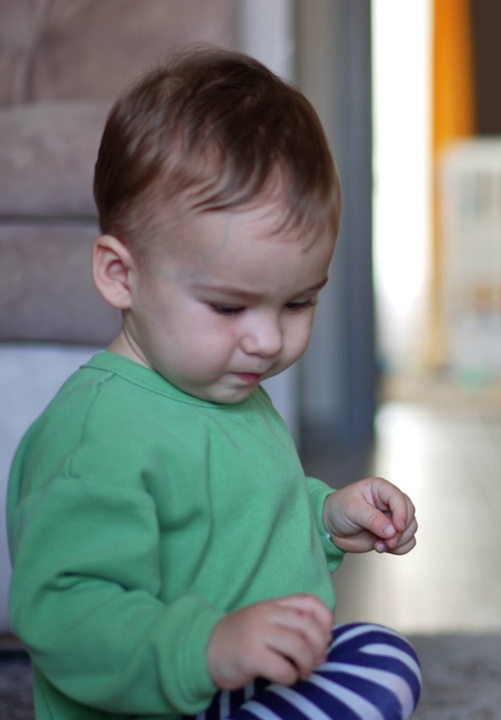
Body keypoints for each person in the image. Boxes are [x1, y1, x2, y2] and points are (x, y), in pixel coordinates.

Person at [6, 47, 422, 720]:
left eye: (297, 303)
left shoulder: (224, 384)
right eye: (229, 306)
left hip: (237, 683)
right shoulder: (98, 436)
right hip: (149, 700)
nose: (267, 338)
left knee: (381, 656)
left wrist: (324, 518)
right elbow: (64, 616)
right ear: (121, 275)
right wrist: (207, 647)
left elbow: (238, 517)